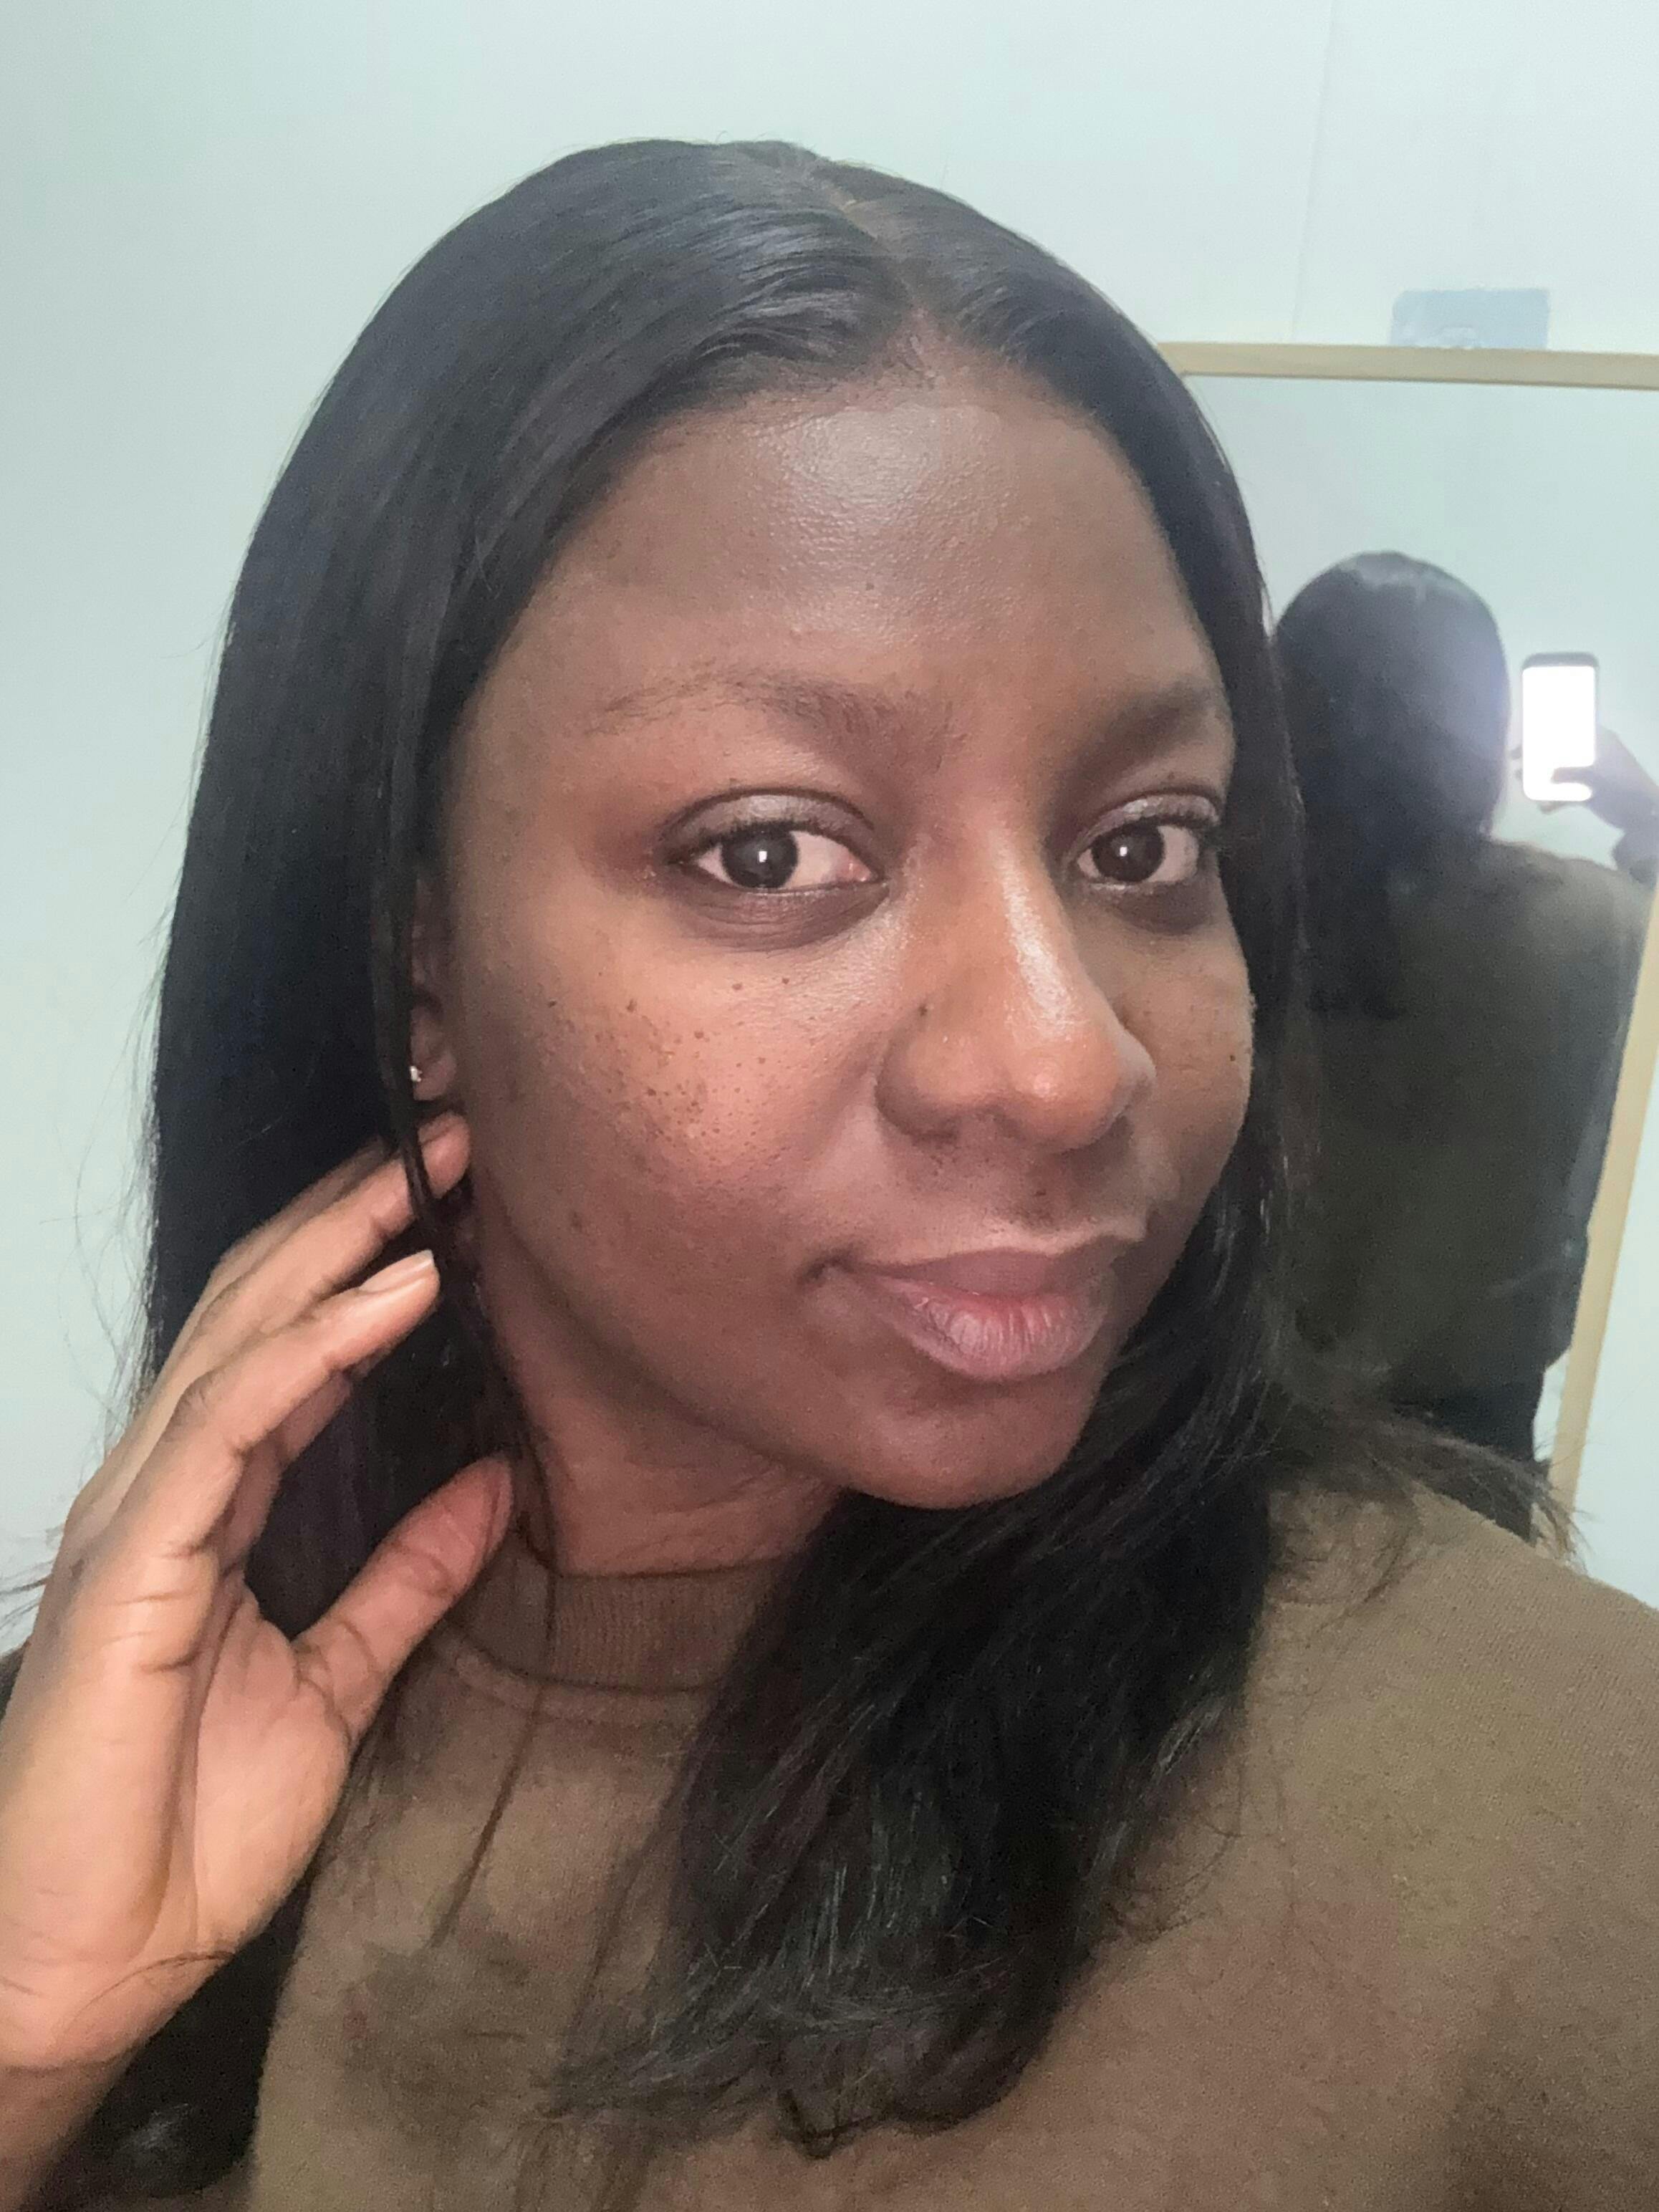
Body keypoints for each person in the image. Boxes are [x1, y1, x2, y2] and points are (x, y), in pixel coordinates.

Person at [0, 143, 1655, 2212]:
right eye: (772, 850)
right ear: (418, 959)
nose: (1066, 1061)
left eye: (1142, 844)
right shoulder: (94, 1759)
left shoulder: (1552, 1813)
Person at [1277, 552, 1651, 1463]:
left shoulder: (1215, 907)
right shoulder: (1592, 926)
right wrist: (1645, 809)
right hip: (1470, 1435)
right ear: (1481, 727)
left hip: (1224, 1408)